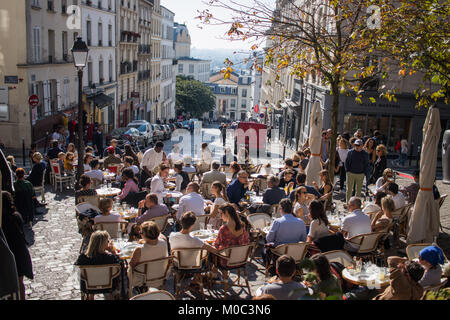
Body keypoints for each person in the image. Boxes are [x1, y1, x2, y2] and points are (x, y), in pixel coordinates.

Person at [1, 191, 34, 300]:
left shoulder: (6, 219)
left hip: (12, 251)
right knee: (20, 282)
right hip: (19, 251)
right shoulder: (15, 215)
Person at [74, 230, 120, 300]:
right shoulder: (110, 258)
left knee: (89, 277)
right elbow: (119, 266)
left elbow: (76, 267)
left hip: (88, 287)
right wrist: (113, 253)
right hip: (108, 286)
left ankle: (91, 296)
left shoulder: (83, 258)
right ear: (104, 244)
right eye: (108, 241)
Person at [128, 221, 168, 289]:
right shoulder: (164, 243)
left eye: (141, 232)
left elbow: (131, 265)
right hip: (161, 275)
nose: (140, 234)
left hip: (143, 280)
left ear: (144, 235)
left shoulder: (139, 250)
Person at [213, 204, 250, 272]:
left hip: (226, 261)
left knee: (210, 254)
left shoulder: (224, 228)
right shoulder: (242, 225)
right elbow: (247, 241)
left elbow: (216, 245)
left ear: (226, 213)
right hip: (241, 259)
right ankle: (223, 275)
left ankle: (217, 274)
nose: (220, 216)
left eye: (221, 214)